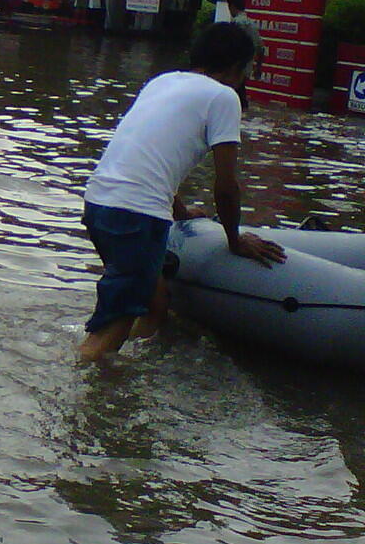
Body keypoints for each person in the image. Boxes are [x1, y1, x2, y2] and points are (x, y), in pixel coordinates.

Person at [78, 22, 286, 363]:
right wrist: (234, 240)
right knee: (113, 325)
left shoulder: (163, 82)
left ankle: (130, 375)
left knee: (155, 306)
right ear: (237, 67)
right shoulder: (224, 97)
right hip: (136, 216)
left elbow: (147, 158)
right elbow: (226, 186)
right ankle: (84, 389)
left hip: (100, 203)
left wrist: (182, 214)